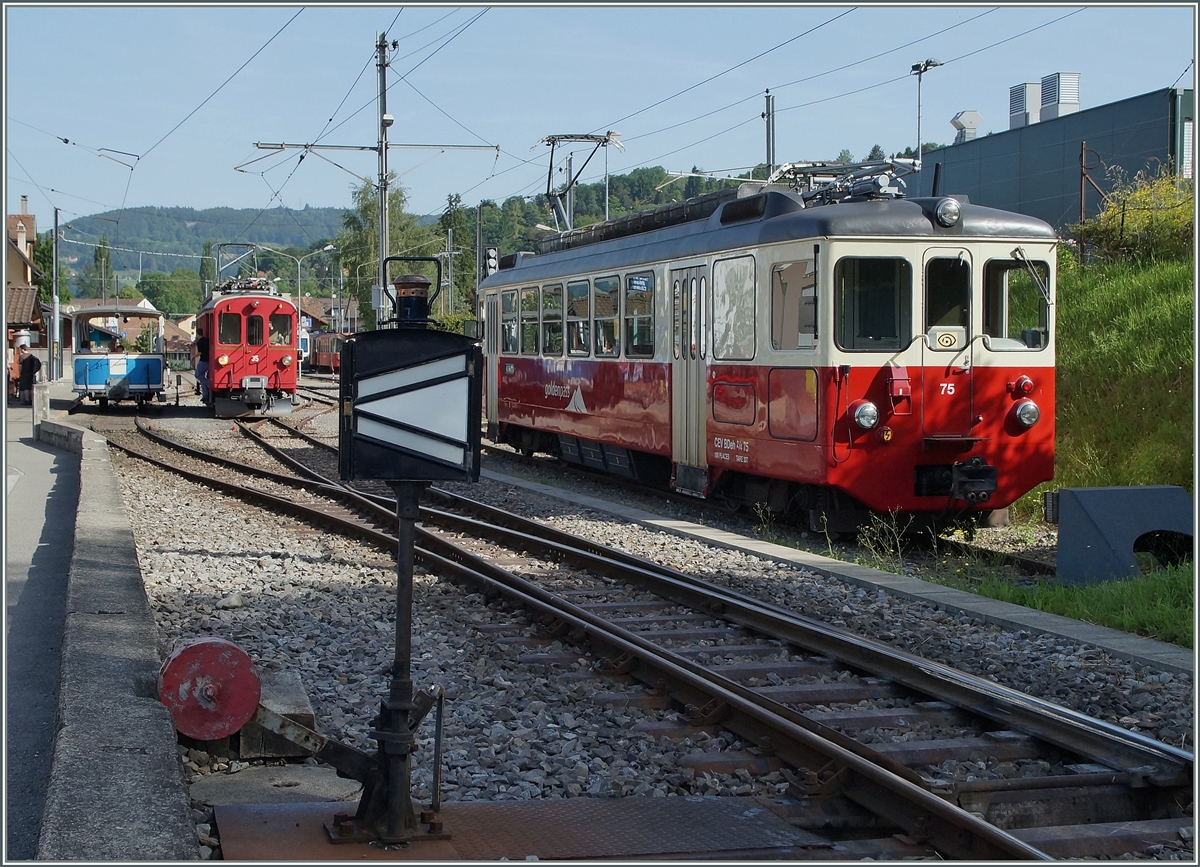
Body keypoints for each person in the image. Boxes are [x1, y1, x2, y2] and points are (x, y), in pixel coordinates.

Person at [194, 330, 211, 404]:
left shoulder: (199, 342)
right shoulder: (207, 340)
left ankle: (210, 383)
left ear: (197, 334)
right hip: (210, 360)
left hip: (203, 360)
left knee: (197, 375)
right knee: (202, 378)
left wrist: (193, 356)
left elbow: (200, 352)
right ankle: (205, 394)